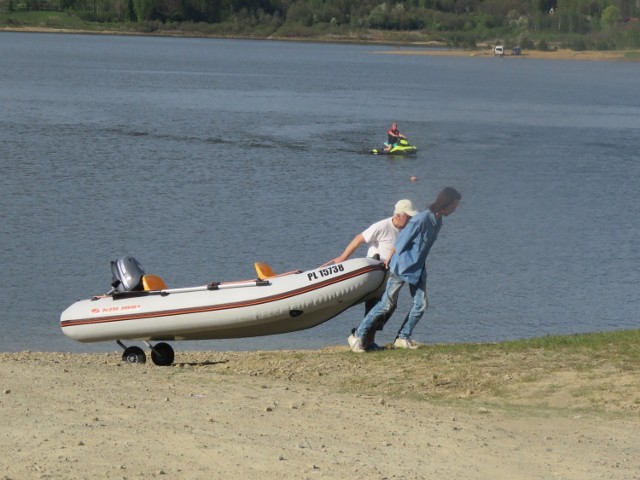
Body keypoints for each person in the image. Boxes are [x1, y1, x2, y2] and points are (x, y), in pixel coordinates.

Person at [348, 187, 461, 353]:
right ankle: (357, 336)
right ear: (446, 203)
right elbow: (401, 240)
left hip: (418, 268)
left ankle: (402, 337)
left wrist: (422, 263)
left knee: (421, 305)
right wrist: (389, 258)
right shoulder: (421, 220)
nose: (455, 209)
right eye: (454, 206)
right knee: (386, 305)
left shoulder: (438, 221)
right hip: (402, 267)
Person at [332, 199, 418, 351]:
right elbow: (359, 238)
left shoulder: (406, 230)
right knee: (377, 306)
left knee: (389, 308)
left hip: (392, 275)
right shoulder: (382, 226)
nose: (411, 219)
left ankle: (368, 342)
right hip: (376, 274)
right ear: (398, 215)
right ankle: (359, 337)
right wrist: (343, 257)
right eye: (408, 216)